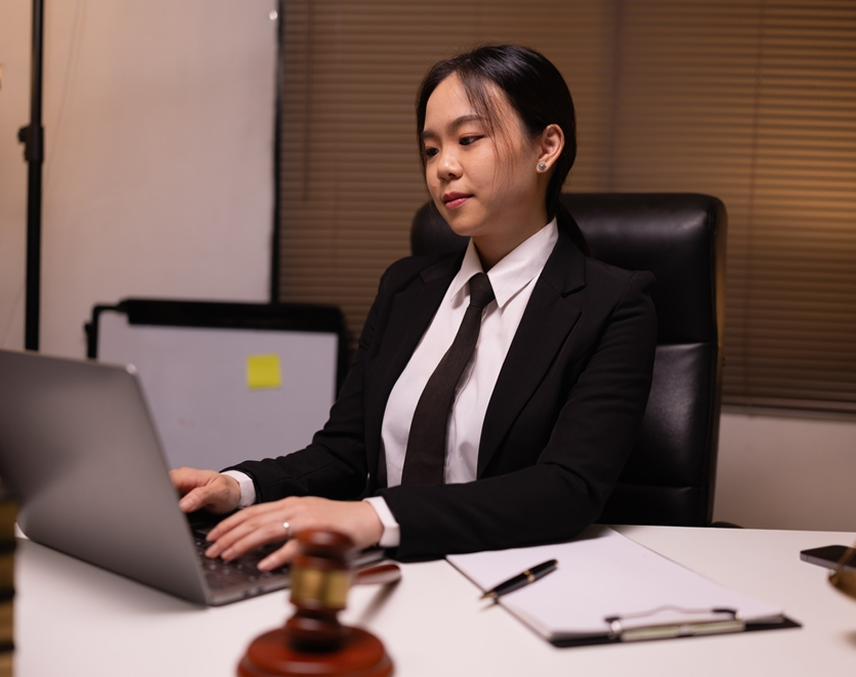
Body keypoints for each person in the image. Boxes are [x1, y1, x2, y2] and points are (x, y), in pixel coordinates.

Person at [172, 44, 657, 570]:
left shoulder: (613, 306)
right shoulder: (406, 288)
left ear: (547, 147)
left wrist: (378, 518)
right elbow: (343, 454)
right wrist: (238, 488)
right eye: (430, 150)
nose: (444, 167)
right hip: (381, 574)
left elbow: (567, 489)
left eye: (469, 140)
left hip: (511, 579)